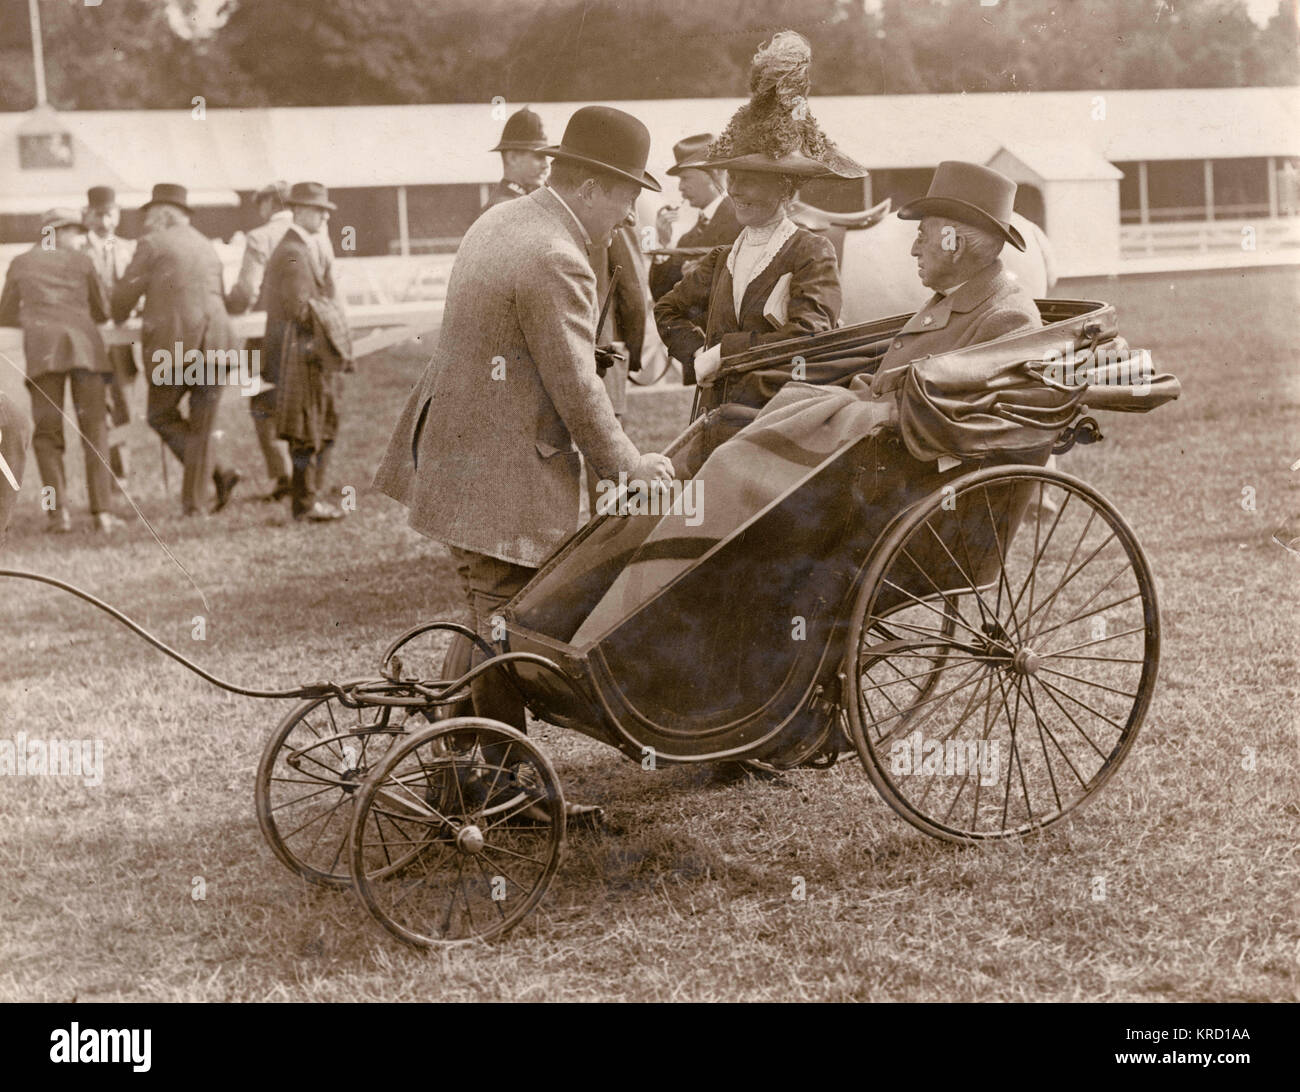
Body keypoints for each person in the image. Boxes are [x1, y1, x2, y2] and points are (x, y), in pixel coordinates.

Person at [373, 105, 674, 821]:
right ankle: (498, 785)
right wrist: (630, 468)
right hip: (498, 472)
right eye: (629, 198)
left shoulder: (501, 221)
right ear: (596, 188)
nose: (629, 216)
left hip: (455, 455)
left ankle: (467, 777)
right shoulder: (556, 254)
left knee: (489, 617)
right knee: (502, 623)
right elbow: (574, 387)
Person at [653, 32, 864, 387]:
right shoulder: (722, 259)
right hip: (715, 414)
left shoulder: (810, 252)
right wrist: (696, 354)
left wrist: (723, 353)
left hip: (776, 417)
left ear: (784, 186)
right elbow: (666, 309)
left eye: (749, 180)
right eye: (732, 177)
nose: (734, 190)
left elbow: (809, 337)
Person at [112, 183, 242, 517]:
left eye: (149, 217)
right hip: (216, 343)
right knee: (201, 425)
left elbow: (126, 293)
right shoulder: (206, 245)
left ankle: (213, 481)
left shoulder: (152, 243)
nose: (146, 224)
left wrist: (118, 314)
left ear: (165, 215)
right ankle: (201, 496)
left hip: (175, 346)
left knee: (160, 414)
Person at [0, 209, 120, 534]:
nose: (79, 237)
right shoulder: (83, 261)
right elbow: (103, 310)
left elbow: (5, 312)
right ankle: (103, 514)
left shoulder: (21, 262)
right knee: (95, 431)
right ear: (61, 231)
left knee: (47, 436)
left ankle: (58, 515)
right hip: (86, 349)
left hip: (43, 352)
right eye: (75, 231)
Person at [871, 160, 1041, 387]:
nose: (913, 250)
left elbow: (940, 411)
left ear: (955, 246)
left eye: (923, 237)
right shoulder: (958, 299)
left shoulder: (1006, 320)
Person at [263, 182, 352, 523]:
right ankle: (304, 502)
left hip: (304, 350)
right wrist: (331, 317)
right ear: (298, 210)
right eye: (318, 210)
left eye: (327, 211)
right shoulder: (293, 251)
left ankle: (308, 497)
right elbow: (301, 308)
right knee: (305, 428)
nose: (325, 216)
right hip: (299, 351)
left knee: (312, 425)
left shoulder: (301, 246)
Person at [225, 180, 294, 501]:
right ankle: (306, 475)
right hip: (304, 331)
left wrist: (228, 306)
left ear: (268, 204)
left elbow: (246, 291)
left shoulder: (260, 237)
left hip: (264, 334)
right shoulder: (315, 233)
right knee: (300, 400)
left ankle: (283, 477)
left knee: (263, 405)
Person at [82, 186, 139, 484]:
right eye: (99, 214)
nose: (105, 221)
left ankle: (123, 472)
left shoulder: (130, 248)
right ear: (88, 216)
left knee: (124, 405)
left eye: (110, 214)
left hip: (121, 344)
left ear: (117, 215)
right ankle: (104, 476)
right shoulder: (78, 252)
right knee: (95, 406)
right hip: (90, 342)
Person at [648, 133, 742, 301]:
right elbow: (660, 293)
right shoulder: (687, 239)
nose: (681, 187)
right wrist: (663, 244)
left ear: (714, 173)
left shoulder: (742, 221)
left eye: (686, 178)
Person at [480, 106, 550, 214]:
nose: (546, 165)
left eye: (546, 157)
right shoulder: (503, 208)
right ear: (512, 158)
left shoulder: (520, 202)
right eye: (539, 156)